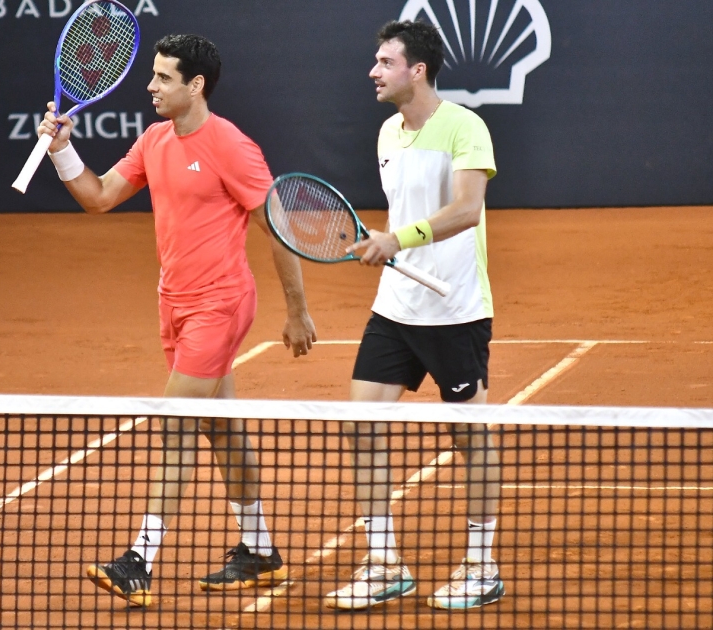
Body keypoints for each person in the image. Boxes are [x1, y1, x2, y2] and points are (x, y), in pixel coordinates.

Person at [36, 34, 317, 607]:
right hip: (175, 304)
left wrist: (297, 310)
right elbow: (99, 196)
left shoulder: (231, 146)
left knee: (176, 424)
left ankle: (139, 560)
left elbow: (279, 227)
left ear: (196, 85)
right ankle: (260, 549)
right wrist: (62, 149)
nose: (151, 86)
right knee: (222, 429)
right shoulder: (154, 140)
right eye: (153, 75)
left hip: (220, 304)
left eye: (164, 77)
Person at [323, 20, 503, 612]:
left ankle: (481, 566)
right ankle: (383, 562)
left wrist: (397, 240)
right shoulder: (387, 132)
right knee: (362, 425)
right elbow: (405, 212)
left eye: (385, 62)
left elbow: (467, 210)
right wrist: (387, 242)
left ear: (416, 70)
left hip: (455, 309)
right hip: (396, 306)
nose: (373, 72)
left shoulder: (465, 127)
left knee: (469, 436)